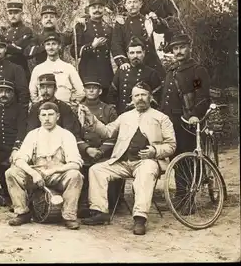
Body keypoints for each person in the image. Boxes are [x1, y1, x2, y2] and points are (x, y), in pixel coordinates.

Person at [79, 82, 176, 235]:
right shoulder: (125, 117)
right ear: (132, 99)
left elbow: (171, 145)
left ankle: (140, 218)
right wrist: (93, 119)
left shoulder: (162, 118)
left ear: (150, 97)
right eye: (136, 95)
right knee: (96, 170)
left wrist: (155, 150)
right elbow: (107, 132)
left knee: (146, 173)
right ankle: (100, 212)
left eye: (143, 94)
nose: (140, 98)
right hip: (123, 162)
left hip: (147, 162)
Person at [6, 102, 84, 229]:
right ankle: (22, 212)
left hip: (58, 175)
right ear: (39, 117)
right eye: (44, 115)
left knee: (75, 175)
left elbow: (76, 163)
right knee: (11, 173)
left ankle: (69, 216)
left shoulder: (66, 135)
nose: (47, 118)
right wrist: (34, 173)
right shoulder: (32, 134)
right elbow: (19, 159)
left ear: (58, 116)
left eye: (51, 114)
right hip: (37, 174)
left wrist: (56, 170)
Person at [160, 33, 211, 213]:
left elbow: (202, 96)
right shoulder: (172, 70)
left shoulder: (196, 71)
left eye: (182, 47)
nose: (179, 51)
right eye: (175, 48)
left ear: (189, 48)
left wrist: (195, 115)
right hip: (169, 121)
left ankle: (188, 199)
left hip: (185, 120)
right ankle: (180, 196)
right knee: (174, 158)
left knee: (186, 159)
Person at [75, 77, 119, 218]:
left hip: (103, 152)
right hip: (83, 151)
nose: (91, 90)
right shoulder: (76, 109)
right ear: (84, 90)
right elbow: (72, 133)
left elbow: (114, 135)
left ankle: (101, 206)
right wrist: (87, 149)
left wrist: (101, 151)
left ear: (100, 91)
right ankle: (81, 203)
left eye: (94, 88)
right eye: (88, 88)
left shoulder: (109, 109)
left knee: (102, 169)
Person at [112, 0, 168, 77]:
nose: (132, 5)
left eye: (135, 2)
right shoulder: (121, 23)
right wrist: (123, 62)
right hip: (131, 62)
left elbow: (161, 29)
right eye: (129, 2)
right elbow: (116, 43)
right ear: (125, 6)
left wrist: (156, 20)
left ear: (140, 4)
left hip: (150, 62)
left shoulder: (147, 20)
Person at [107, 36, 163, 114]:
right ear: (128, 54)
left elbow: (157, 98)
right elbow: (112, 95)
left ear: (144, 53)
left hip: (144, 114)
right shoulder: (121, 71)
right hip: (123, 114)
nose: (135, 56)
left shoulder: (151, 73)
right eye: (132, 53)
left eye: (138, 52)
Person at [75, 0, 114, 102]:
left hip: (105, 72)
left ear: (104, 9)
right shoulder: (81, 26)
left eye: (100, 7)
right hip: (88, 72)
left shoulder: (109, 28)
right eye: (94, 7)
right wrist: (92, 46)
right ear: (89, 10)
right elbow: (74, 51)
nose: (97, 10)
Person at [29, 32, 85, 104]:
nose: (51, 47)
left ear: (59, 46)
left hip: (65, 106)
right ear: (45, 47)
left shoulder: (69, 68)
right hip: (45, 109)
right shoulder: (38, 69)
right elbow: (32, 91)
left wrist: (72, 103)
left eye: (54, 44)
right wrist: (39, 104)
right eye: (48, 44)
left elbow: (81, 91)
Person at [27, 73, 82, 141]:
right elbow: (31, 131)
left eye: (49, 87)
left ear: (55, 89)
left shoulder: (64, 107)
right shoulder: (35, 108)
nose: (45, 91)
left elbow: (68, 132)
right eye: (42, 87)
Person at [4, 1, 35, 80]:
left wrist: (7, 46)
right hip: (7, 70)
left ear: (22, 14)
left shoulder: (26, 30)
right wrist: (13, 45)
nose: (13, 16)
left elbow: (20, 48)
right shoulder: (7, 32)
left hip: (21, 69)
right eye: (10, 13)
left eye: (16, 13)